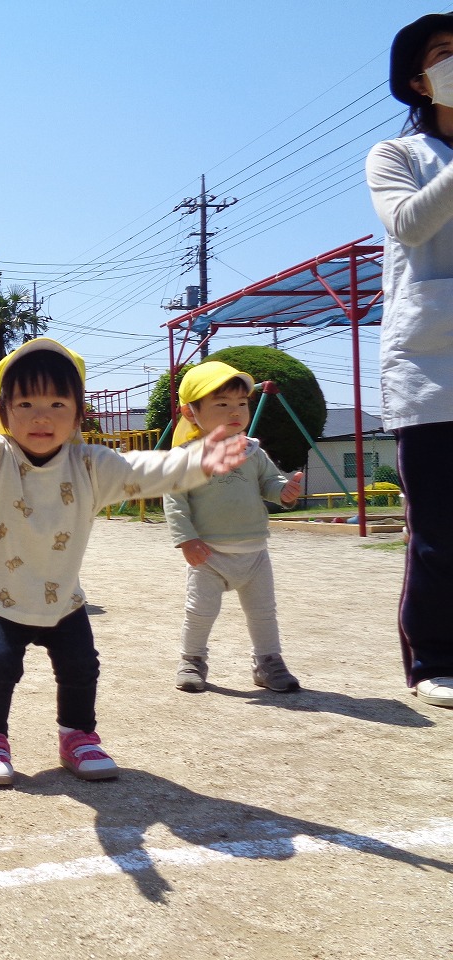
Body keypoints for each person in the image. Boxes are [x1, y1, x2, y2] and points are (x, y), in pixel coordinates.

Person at [0, 340, 247, 785]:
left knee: (81, 666)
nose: (41, 416)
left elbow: (146, 471)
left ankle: (78, 736)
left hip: (63, 598)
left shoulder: (90, 465)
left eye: (57, 402)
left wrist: (197, 462)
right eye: (25, 402)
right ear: (3, 413)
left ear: (78, 413)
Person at [366, 13, 453, 708]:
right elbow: (410, 223)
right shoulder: (395, 157)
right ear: (418, 79)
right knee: (439, 530)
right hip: (430, 370)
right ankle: (432, 659)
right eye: (447, 55)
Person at [164, 361, 304, 694]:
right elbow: (175, 501)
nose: (235, 411)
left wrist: (283, 490)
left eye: (241, 403)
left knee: (263, 612)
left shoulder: (252, 451)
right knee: (199, 611)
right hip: (209, 555)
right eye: (222, 404)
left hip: (254, 553)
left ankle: (268, 662)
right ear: (191, 412)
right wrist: (186, 539)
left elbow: (268, 481)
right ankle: (192, 659)